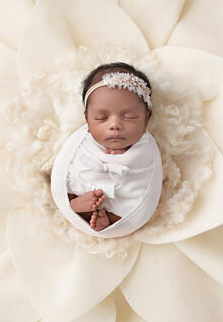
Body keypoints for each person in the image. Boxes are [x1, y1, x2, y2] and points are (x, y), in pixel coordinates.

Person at [50, 63, 163, 238]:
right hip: (83, 189)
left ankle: (110, 221)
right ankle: (75, 206)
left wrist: (127, 158)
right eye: (101, 118)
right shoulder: (84, 142)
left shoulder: (145, 148)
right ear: (87, 119)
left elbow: (146, 177)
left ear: (147, 118)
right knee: (70, 187)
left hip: (123, 203)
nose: (115, 125)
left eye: (130, 117)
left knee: (129, 208)